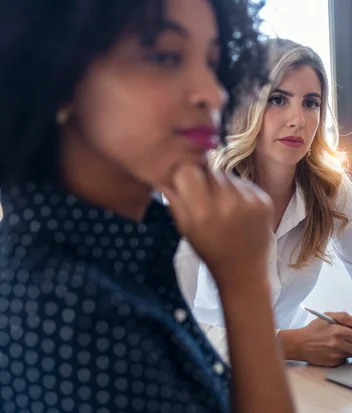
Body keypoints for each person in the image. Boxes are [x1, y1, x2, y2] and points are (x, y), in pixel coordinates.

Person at [0, 1, 295, 412]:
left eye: (212, 62)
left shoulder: (118, 251)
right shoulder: (72, 311)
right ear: (57, 74)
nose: (213, 93)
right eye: (165, 57)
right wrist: (244, 285)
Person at [179, 39, 352, 368]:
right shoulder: (195, 188)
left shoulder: (329, 187)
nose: (297, 119)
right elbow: (165, 325)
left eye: (311, 103)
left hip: (290, 376)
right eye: (277, 99)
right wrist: (287, 344)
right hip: (203, 374)